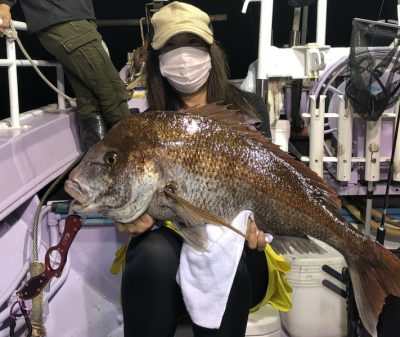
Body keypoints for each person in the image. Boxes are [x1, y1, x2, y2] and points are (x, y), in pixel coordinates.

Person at [111, 2, 291, 337]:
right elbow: (135, 192)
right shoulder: (150, 126)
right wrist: (130, 212)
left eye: (193, 45)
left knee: (230, 262)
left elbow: (269, 180)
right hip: (172, 243)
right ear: (157, 62)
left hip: (240, 247)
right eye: (171, 47)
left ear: (212, 52)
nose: (183, 57)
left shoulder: (249, 109)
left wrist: (259, 222)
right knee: (150, 255)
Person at [0, 0, 130, 151]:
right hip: (64, 19)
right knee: (112, 89)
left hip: (72, 19)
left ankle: (97, 165)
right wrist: (4, 4)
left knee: (90, 100)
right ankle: (137, 154)